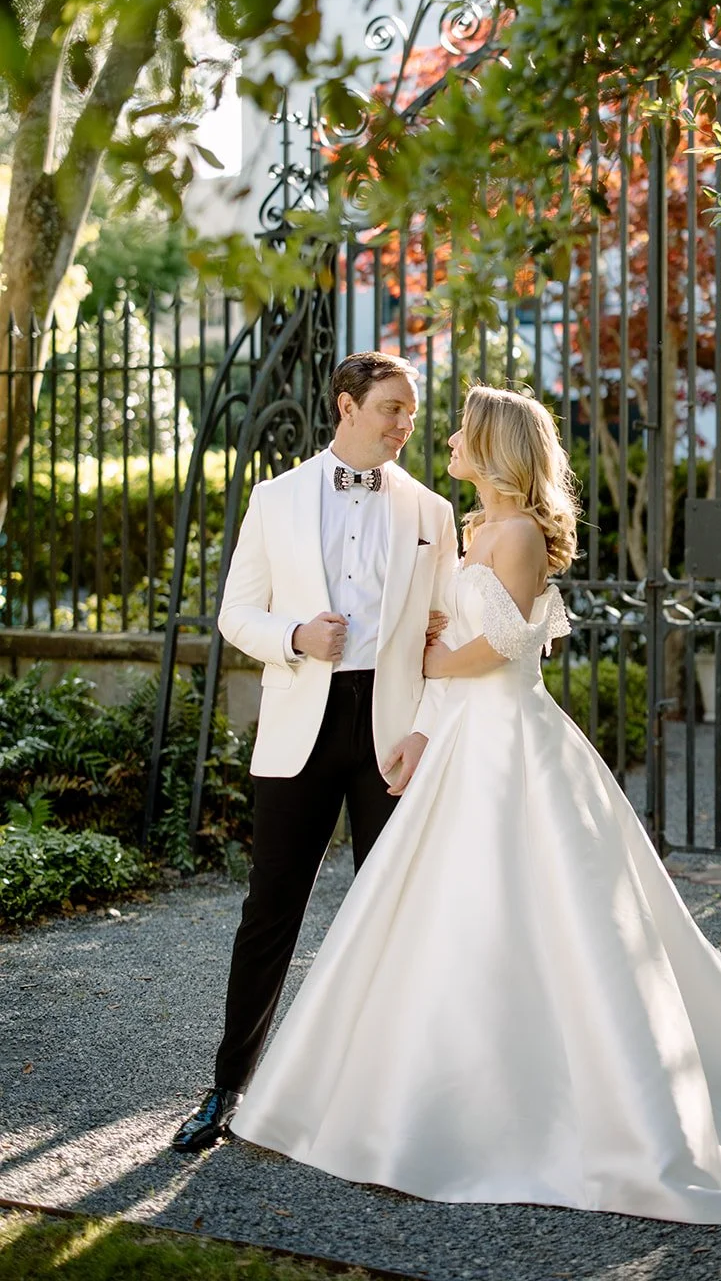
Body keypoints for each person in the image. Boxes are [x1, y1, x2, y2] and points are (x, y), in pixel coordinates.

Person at [230, 385, 721, 1222]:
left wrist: (426, 668)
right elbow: (459, 631)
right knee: (441, 912)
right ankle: (413, 1087)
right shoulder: (463, 526)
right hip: (461, 739)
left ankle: (554, 1100)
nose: (442, 438)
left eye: (458, 432)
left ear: (493, 444)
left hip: (514, 743)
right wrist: (426, 720)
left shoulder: (511, 535)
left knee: (544, 910)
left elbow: (510, 645)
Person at [171, 350, 457, 1153]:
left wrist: (424, 727)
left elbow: (448, 634)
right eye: (393, 408)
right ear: (347, 406)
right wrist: (295, 635)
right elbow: (235, 615)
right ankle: (228, 1086)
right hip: (301, 725)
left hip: (389, 734)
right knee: (270, 914)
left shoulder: (433, 512)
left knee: (392, 914)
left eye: (410, 408)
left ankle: (392, 1096)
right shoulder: (277, 497)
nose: (407, 423)